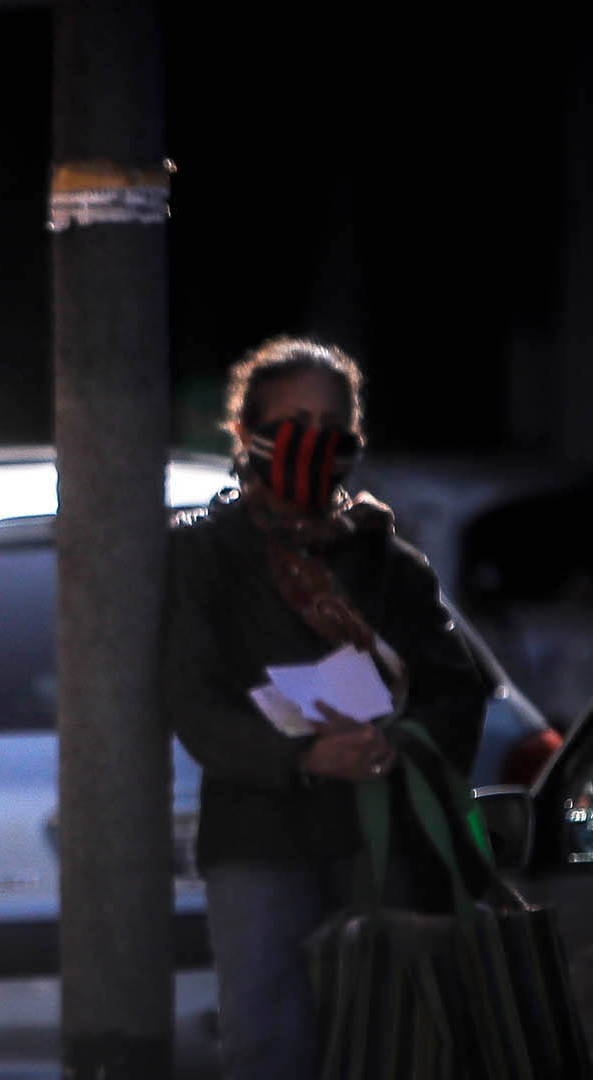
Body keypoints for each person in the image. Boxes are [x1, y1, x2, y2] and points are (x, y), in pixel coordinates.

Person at [162, 335, 487, 1080]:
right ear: (248, 435)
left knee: (389, 1040)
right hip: (259, 843)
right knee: (269, 1046)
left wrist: (393, 744)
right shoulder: (207, 554)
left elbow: (455, 687)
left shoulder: (384, 556)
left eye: (331, 421)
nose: (315, 439)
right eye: (295, 418)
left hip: (379, 844)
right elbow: (192, 698)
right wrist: (303, 756)